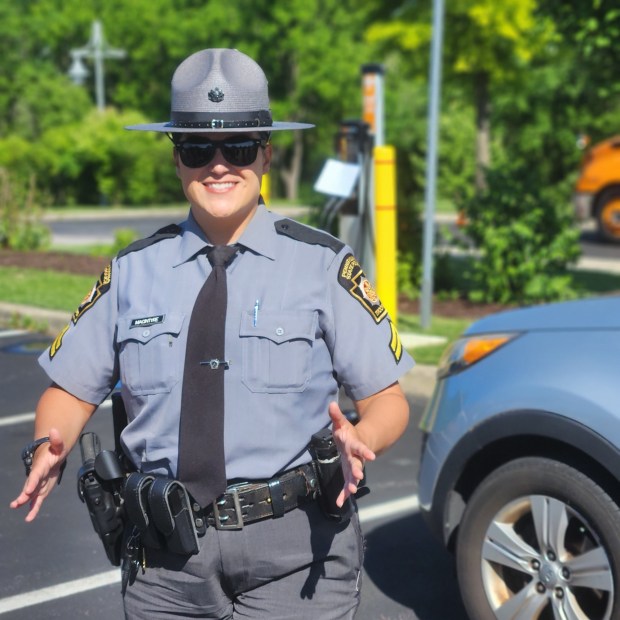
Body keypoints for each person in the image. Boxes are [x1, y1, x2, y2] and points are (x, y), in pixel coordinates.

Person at [11, 48, 413, 619]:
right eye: (198, 148)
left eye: (239, 147)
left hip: (298, 554)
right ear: (177, 161)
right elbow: (71, 391)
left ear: (267, 155)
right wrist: (51, 442)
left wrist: (364, 435)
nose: (218, 165)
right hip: (166, 561)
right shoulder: (131, 272)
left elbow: (387, 399)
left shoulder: (323, 265)